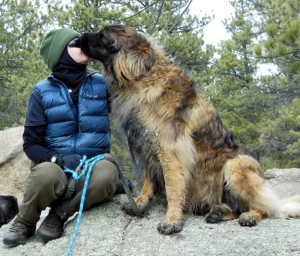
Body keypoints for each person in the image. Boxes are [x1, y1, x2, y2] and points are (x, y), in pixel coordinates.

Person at [3, 28, 132, 246]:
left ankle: (58, 215)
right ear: (59, 52)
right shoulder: (41, 92)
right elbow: (31, 145)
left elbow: (131, 109)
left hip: (91, 168)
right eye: (75, 42)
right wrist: (59, 159)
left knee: (109, 172)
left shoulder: (102, 83)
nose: (83, 44)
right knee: (46, 174)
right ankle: (25, 220)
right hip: (55, 169)